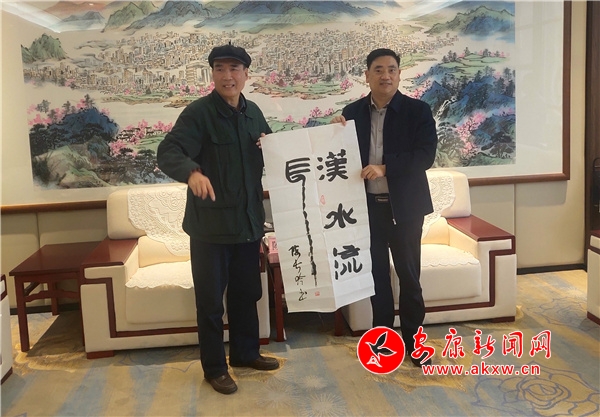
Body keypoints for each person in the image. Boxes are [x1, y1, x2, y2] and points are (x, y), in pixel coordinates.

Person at [157, 43, 278, 395]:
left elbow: (275, 151)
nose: (228, 76)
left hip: (247, 222)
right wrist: (192, 172)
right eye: (220, 69)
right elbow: (168, 150)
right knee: (210, 303)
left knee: (246, 294)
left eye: (234, 69)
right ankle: (214, 368)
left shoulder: (253, 113)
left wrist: (272, 147)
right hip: (209, 228)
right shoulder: (198, 113)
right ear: (212, 74)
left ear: (246, 74)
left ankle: (245, 353)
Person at [331, 48, 438, 367]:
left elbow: (425, 156)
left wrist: (385, 168)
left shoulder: (417, 111)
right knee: (376, 277)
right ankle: (383, 341)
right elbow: (338, 158)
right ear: (367, 75)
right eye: (378, 69)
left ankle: (414, 342)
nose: (385, 75)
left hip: (405, 209)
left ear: (399, 74)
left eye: (392, 69)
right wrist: (334, 132)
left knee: (409, 277)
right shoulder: (352, 113)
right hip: (367, 210)